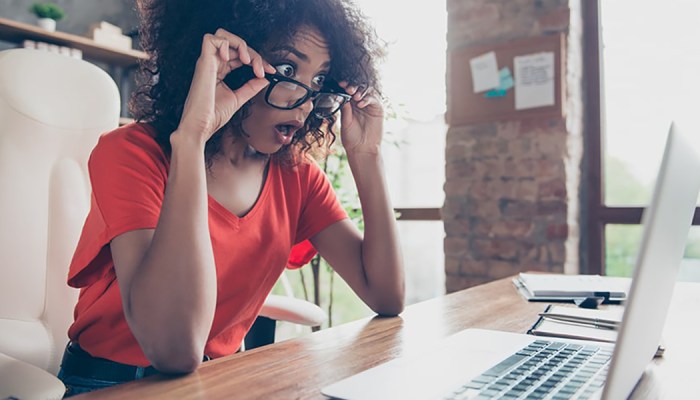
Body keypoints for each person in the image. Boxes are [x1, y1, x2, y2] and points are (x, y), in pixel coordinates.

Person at [57, 0, 405, 396]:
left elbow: (386, 295)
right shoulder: (131, 154)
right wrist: (192, 139)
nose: (306, 102)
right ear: (232, 63)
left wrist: (368, 158)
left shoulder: (298, 177)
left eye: (320, 80)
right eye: (288, 70)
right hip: (107, 384)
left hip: (219, 382)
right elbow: (175, 350)